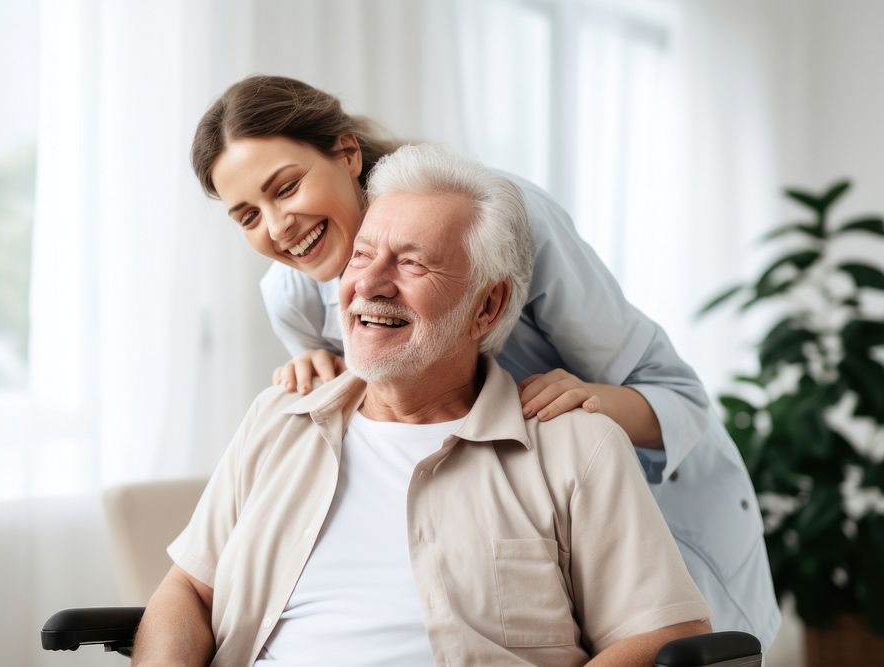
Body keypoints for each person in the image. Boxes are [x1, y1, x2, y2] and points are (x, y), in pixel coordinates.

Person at [191, 75, 779, 648]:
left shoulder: (501, 220)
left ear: (346, 153)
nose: (277, 226)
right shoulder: (292, 298)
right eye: (247, 215)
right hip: (506, 537)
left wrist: (583, 404)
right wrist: (311, 377)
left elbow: (674, 396)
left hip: (653, 505)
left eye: (286, 187)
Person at [133, 145, 712, 666]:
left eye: (412, 263)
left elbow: (665, 633)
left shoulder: (574, 446)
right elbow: (187, 589)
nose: (371, 284)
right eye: (361, 256)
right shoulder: (280, 418)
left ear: (488, 307)